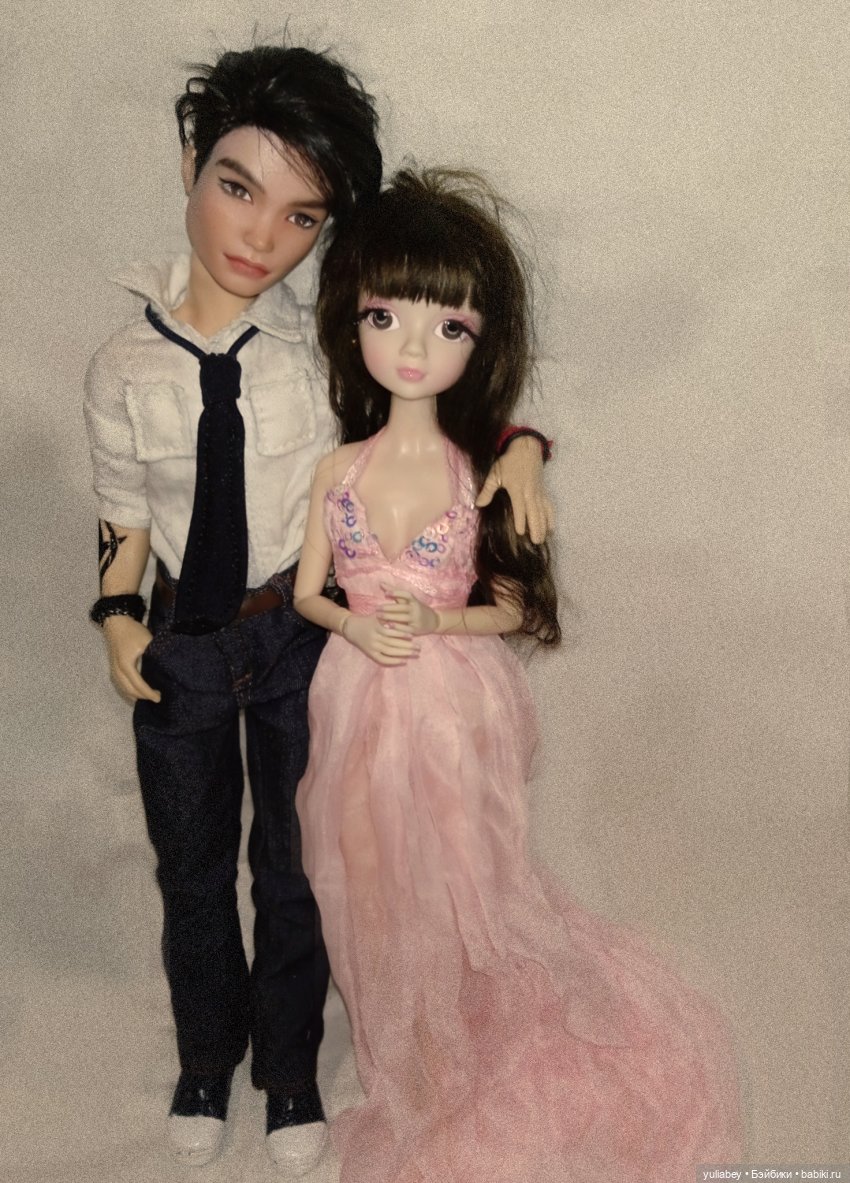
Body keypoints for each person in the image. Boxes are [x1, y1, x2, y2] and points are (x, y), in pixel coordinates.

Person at [83, 45, 551, 1175]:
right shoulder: (122, 368)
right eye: (237, 187)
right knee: (191, 865)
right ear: (191, 162)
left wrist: (526, 444)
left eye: (301, 217)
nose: (261, 236)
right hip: (182, 643)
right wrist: (116, 612)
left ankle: (289, 1068)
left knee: (298, 864)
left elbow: (427, 396)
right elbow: (123, 512)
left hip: (298, 640)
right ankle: (207, 1055)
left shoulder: (312, 344)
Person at [293, 168, 743, 1183]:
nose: (413, 347)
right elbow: (311, 592)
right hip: (354, 692)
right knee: (365, 867)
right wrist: (354, 626)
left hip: (453, 699)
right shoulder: (336, 469)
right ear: (351, 322)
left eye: (447, 326)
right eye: (385, 316)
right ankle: (401, 1033)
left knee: (461, 864)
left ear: (480, 340)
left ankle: (454, 1020)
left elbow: (513, 608)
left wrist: (436, 618)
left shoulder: (478, 469)